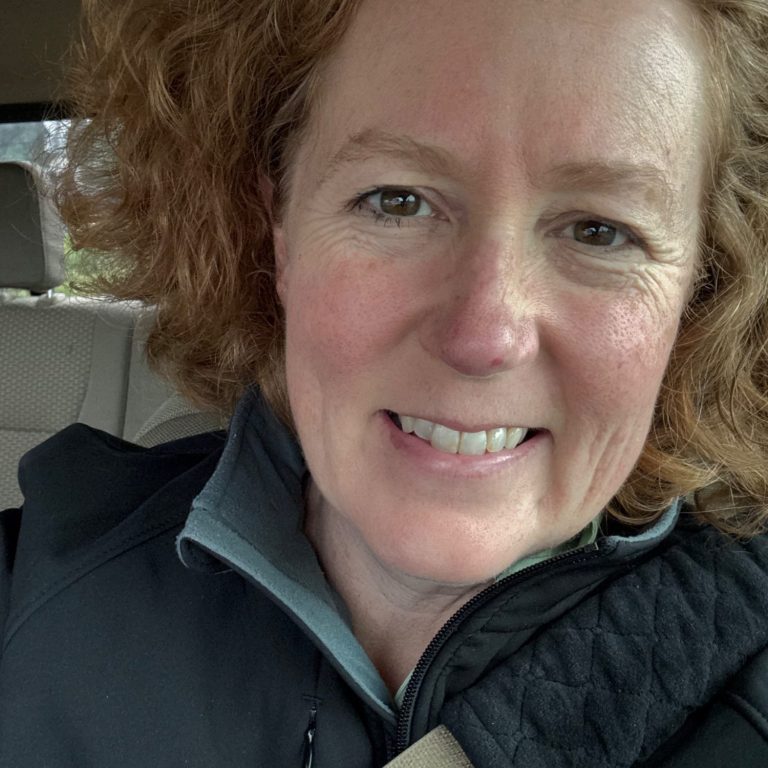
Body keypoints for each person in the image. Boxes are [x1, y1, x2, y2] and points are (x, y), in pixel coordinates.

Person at [2, 0, 768, 765]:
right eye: (396, 201)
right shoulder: (38, 595)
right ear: (280, 231)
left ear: (701, 288)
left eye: (599, 231)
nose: (483, 336)